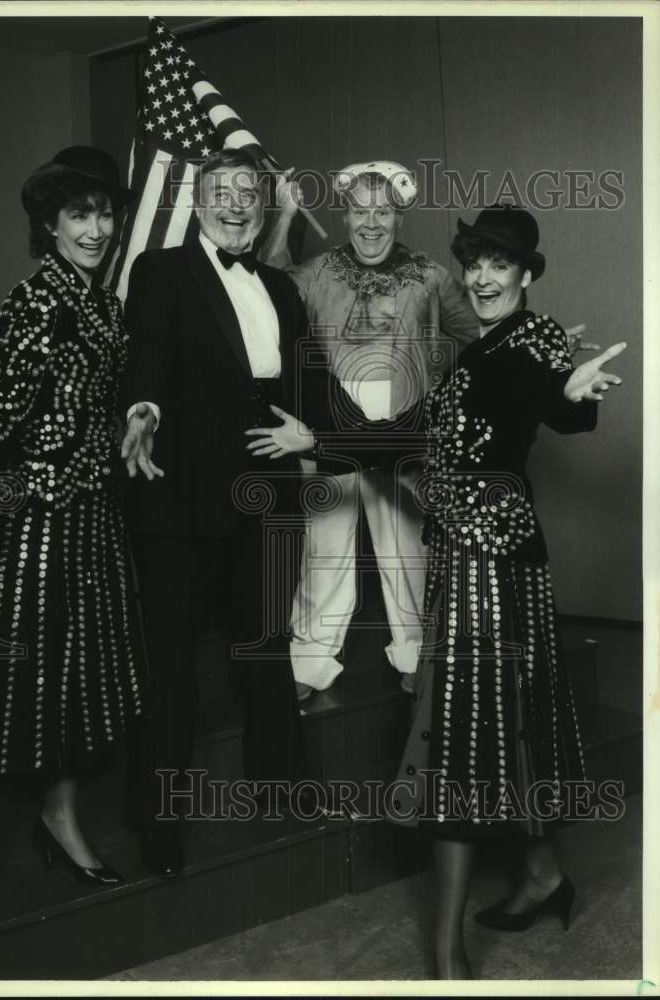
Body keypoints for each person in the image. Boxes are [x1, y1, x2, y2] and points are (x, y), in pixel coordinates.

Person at [248, 204, 626, 979]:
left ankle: (447, 953)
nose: (483, 278)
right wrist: (317, 439)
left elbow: (558, 404)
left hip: (498, 564)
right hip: (465, 557)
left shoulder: (536, 338)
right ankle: (544, 876)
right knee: (504, 723)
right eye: (475, 263)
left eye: (500, 264)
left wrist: (579, 392)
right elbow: (411, 441)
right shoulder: (469, 352)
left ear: (527, 274)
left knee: (460, 736)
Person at [0, 146, 145, 949]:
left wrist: (133, 421)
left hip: (95, 517)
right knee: (1, 688)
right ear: (49, 224)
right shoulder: (36, 299)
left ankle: (59, 816)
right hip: (36, 516)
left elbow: (92, 405)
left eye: (104, 213)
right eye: (78, 214)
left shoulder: (109, 308)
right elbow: (3, 408)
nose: (95, 227)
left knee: (83, 678)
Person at [119, 149, 327, 879]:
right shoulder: (161, 271)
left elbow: (312, 384)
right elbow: (145, 358)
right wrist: (141, 408)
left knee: (267, 643)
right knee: (171, 661)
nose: (236, 203)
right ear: (198, 200)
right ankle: (158, 820)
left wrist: (332, 437)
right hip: (180, 497)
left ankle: (282, 784)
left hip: (269, 495)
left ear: (264, 206)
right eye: (221, 191)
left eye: (249, 192)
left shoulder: (281, 285)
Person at [261, 160, 481, 701]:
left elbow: (480, 333)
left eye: (383, 211)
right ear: (345, 214)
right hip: (329, 427)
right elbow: (266, 287)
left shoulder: (431, 274)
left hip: (403, 431)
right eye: (361, 211)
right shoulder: (316, 271)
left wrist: (532, 343)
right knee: (325, 550)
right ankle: (308, 663)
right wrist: (286, 214)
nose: (371, 223)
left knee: (409, 551)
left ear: (400, 216)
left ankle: (416, 656)